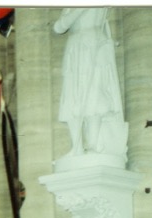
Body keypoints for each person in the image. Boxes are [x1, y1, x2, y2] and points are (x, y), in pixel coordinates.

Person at [53, 8, 125, 159]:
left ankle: (93, 145)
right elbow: (59, 27)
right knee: (72, 98)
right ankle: (76, 147)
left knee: (94, 97)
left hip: (95, 45)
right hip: (75, 48)